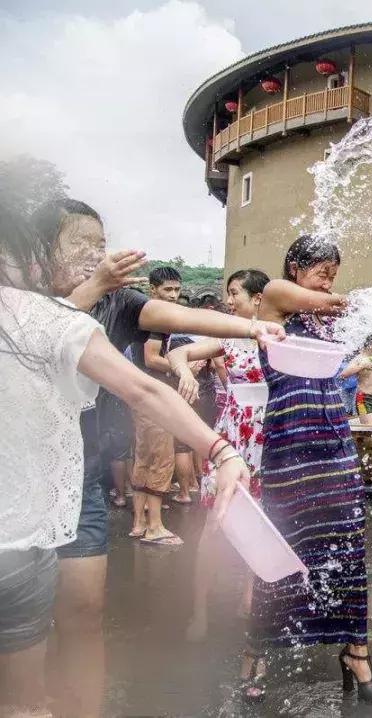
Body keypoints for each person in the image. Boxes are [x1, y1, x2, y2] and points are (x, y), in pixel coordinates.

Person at [30, 198, 283, 718]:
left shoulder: (120, 303)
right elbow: (40, 338)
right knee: (22, 616)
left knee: (82, 610)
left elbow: (184, 322)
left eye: (99, 244)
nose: (96, 254)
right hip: (17, 475)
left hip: (80, 477)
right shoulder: (22, 299)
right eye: (80, 244)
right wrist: (94, 285)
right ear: (41, 254)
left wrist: (252, 328)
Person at [245, 235, 372, 703]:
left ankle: (356, 652)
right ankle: (258, 652)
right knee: (278, 549)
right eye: (320, 269)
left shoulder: (328, 324)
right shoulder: (276, 299)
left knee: (347, 547)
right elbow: (332, 303)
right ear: (294, 267)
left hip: (333, 444)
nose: (328, 278)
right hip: (289, 445)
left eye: (333, 270)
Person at [167, 269, 271, 642]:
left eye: (235, 294)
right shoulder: (227, 336)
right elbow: (179, 351)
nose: (229, 301)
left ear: (258, 299)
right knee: (213, 525)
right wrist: (185, 372)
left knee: (260, 524)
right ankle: (199, 609)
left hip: (267, 439)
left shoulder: (276, 336)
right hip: (233, 439)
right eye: (227, 294)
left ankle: (248, 598)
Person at [128, 266, 193, 543]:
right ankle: (154, 527)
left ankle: (139, 524)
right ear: (153, 289)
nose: (173, 295)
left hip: (142, 396)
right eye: (168, 289)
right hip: (154, 397)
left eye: (177, 290)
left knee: (144, 459)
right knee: (161, 460)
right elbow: (151, 357)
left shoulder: (147, 313)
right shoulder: (157, 318)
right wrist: (182, 369)